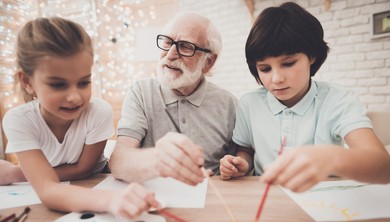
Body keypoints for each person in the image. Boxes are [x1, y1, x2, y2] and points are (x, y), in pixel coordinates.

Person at [220, 2, 390, 192]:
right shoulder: (249, 103)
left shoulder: (338, 99)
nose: (276, 79)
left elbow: (383, 166)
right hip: (267, 202)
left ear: (312, 56)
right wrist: (241, 163)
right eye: (265, 69)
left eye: (289, 63)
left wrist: (331, 157)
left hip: (324, 202)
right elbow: (246, 150)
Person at [2, 17, 159, 217]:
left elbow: (84, 170)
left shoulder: (99, 111)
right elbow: (47, 189)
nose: (75, 97)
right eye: (58, 85)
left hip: (96, 180)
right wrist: (110, 200)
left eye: (84, 82)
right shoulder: (18, 120)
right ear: (27, 81)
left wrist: (18, 174)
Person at [109, 12, 237, 186]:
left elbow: (240, 161)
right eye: (167, 42)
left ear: (208, 62)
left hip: (212, 199)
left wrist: (231, 167)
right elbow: (118, 162)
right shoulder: (141, 92)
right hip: (155, 200)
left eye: (185, 46)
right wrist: (159, 160)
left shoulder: (228, 103)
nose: (170, 54)